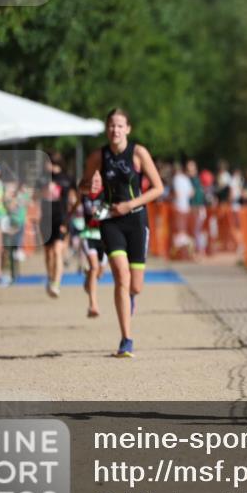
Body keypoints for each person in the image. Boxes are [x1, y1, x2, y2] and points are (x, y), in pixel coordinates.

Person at [80, 108, 164, 358]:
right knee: (120, 275)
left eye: (119, 126)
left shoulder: (138, 153)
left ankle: (131, 299)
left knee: (135, 286)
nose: (114, 130)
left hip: (136, 220)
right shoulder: (98, 156)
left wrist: (130, 204)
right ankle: (126, 339)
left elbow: (158, 188)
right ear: (107, 129)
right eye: (111, 126)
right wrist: (89, 186)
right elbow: (82, 186)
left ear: (127, 129)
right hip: (110, 219)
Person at [39, 156, 74, 297]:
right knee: (48, 253)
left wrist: (70, 216)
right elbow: (35, 196)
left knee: (57, 250)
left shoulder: (68, 179)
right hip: (46, 220)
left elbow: (74, 197)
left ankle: (56, 284)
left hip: (61, 218)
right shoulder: (42, 179)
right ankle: (50, 277)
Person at [76, 169, 107, 318]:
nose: (95, 184)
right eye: (93, 181)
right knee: (94, 267)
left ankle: (88, 279)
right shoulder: (85, 195)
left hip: (105, 237)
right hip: (89, 235)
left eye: (97, 181)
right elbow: (76, 206)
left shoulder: (107, 195)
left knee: (100, 271)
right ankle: (93, 305)